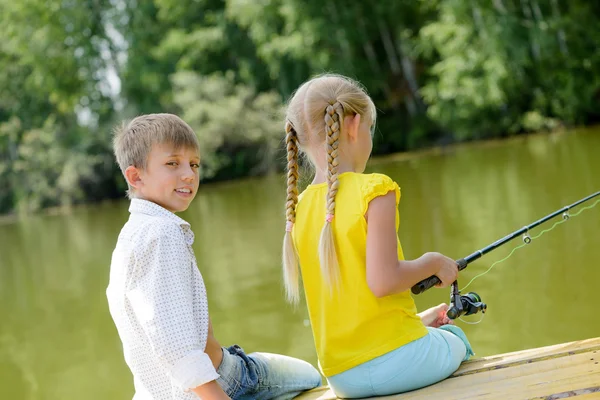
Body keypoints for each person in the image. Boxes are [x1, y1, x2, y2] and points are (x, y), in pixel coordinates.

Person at [281, 75, 474, 398]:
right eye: (370, 128)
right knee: (456, 338)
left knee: (430, 334)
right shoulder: (374, 190)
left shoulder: (297, 210)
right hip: (398, 362)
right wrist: (433, 263)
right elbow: (383, 281)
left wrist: (417, 321)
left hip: (342, 378)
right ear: (354, 126)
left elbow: (360, 298)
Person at [107, 113, 322, 400]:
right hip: (220, 380)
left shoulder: (130, 235)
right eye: (172, 163)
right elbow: (175, 344)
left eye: (194, 164)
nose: (188, 174)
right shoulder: (163, 234)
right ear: (135, 176)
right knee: (309, 375)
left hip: (155, 390)